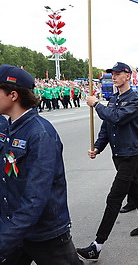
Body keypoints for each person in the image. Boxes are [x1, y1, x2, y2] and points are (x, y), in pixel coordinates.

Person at [0, 64, 82, 264]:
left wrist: (5, 239)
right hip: (14, 227)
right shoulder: (8, 127)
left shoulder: (40, 133)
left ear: (13, 95)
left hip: (45, 233)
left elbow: (36, 196)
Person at [76, 62, 138, 262]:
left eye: (117, 74)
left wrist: (96, 104)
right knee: (133, 187)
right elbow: (107, 127)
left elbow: (116, 118)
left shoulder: (134, 100)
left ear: (128, 76)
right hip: (118, 154)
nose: (114, 77)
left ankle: (97, 246)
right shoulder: (114, 99)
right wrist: (98, 147)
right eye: (112, 74)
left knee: (114, 198)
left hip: (132, 154)